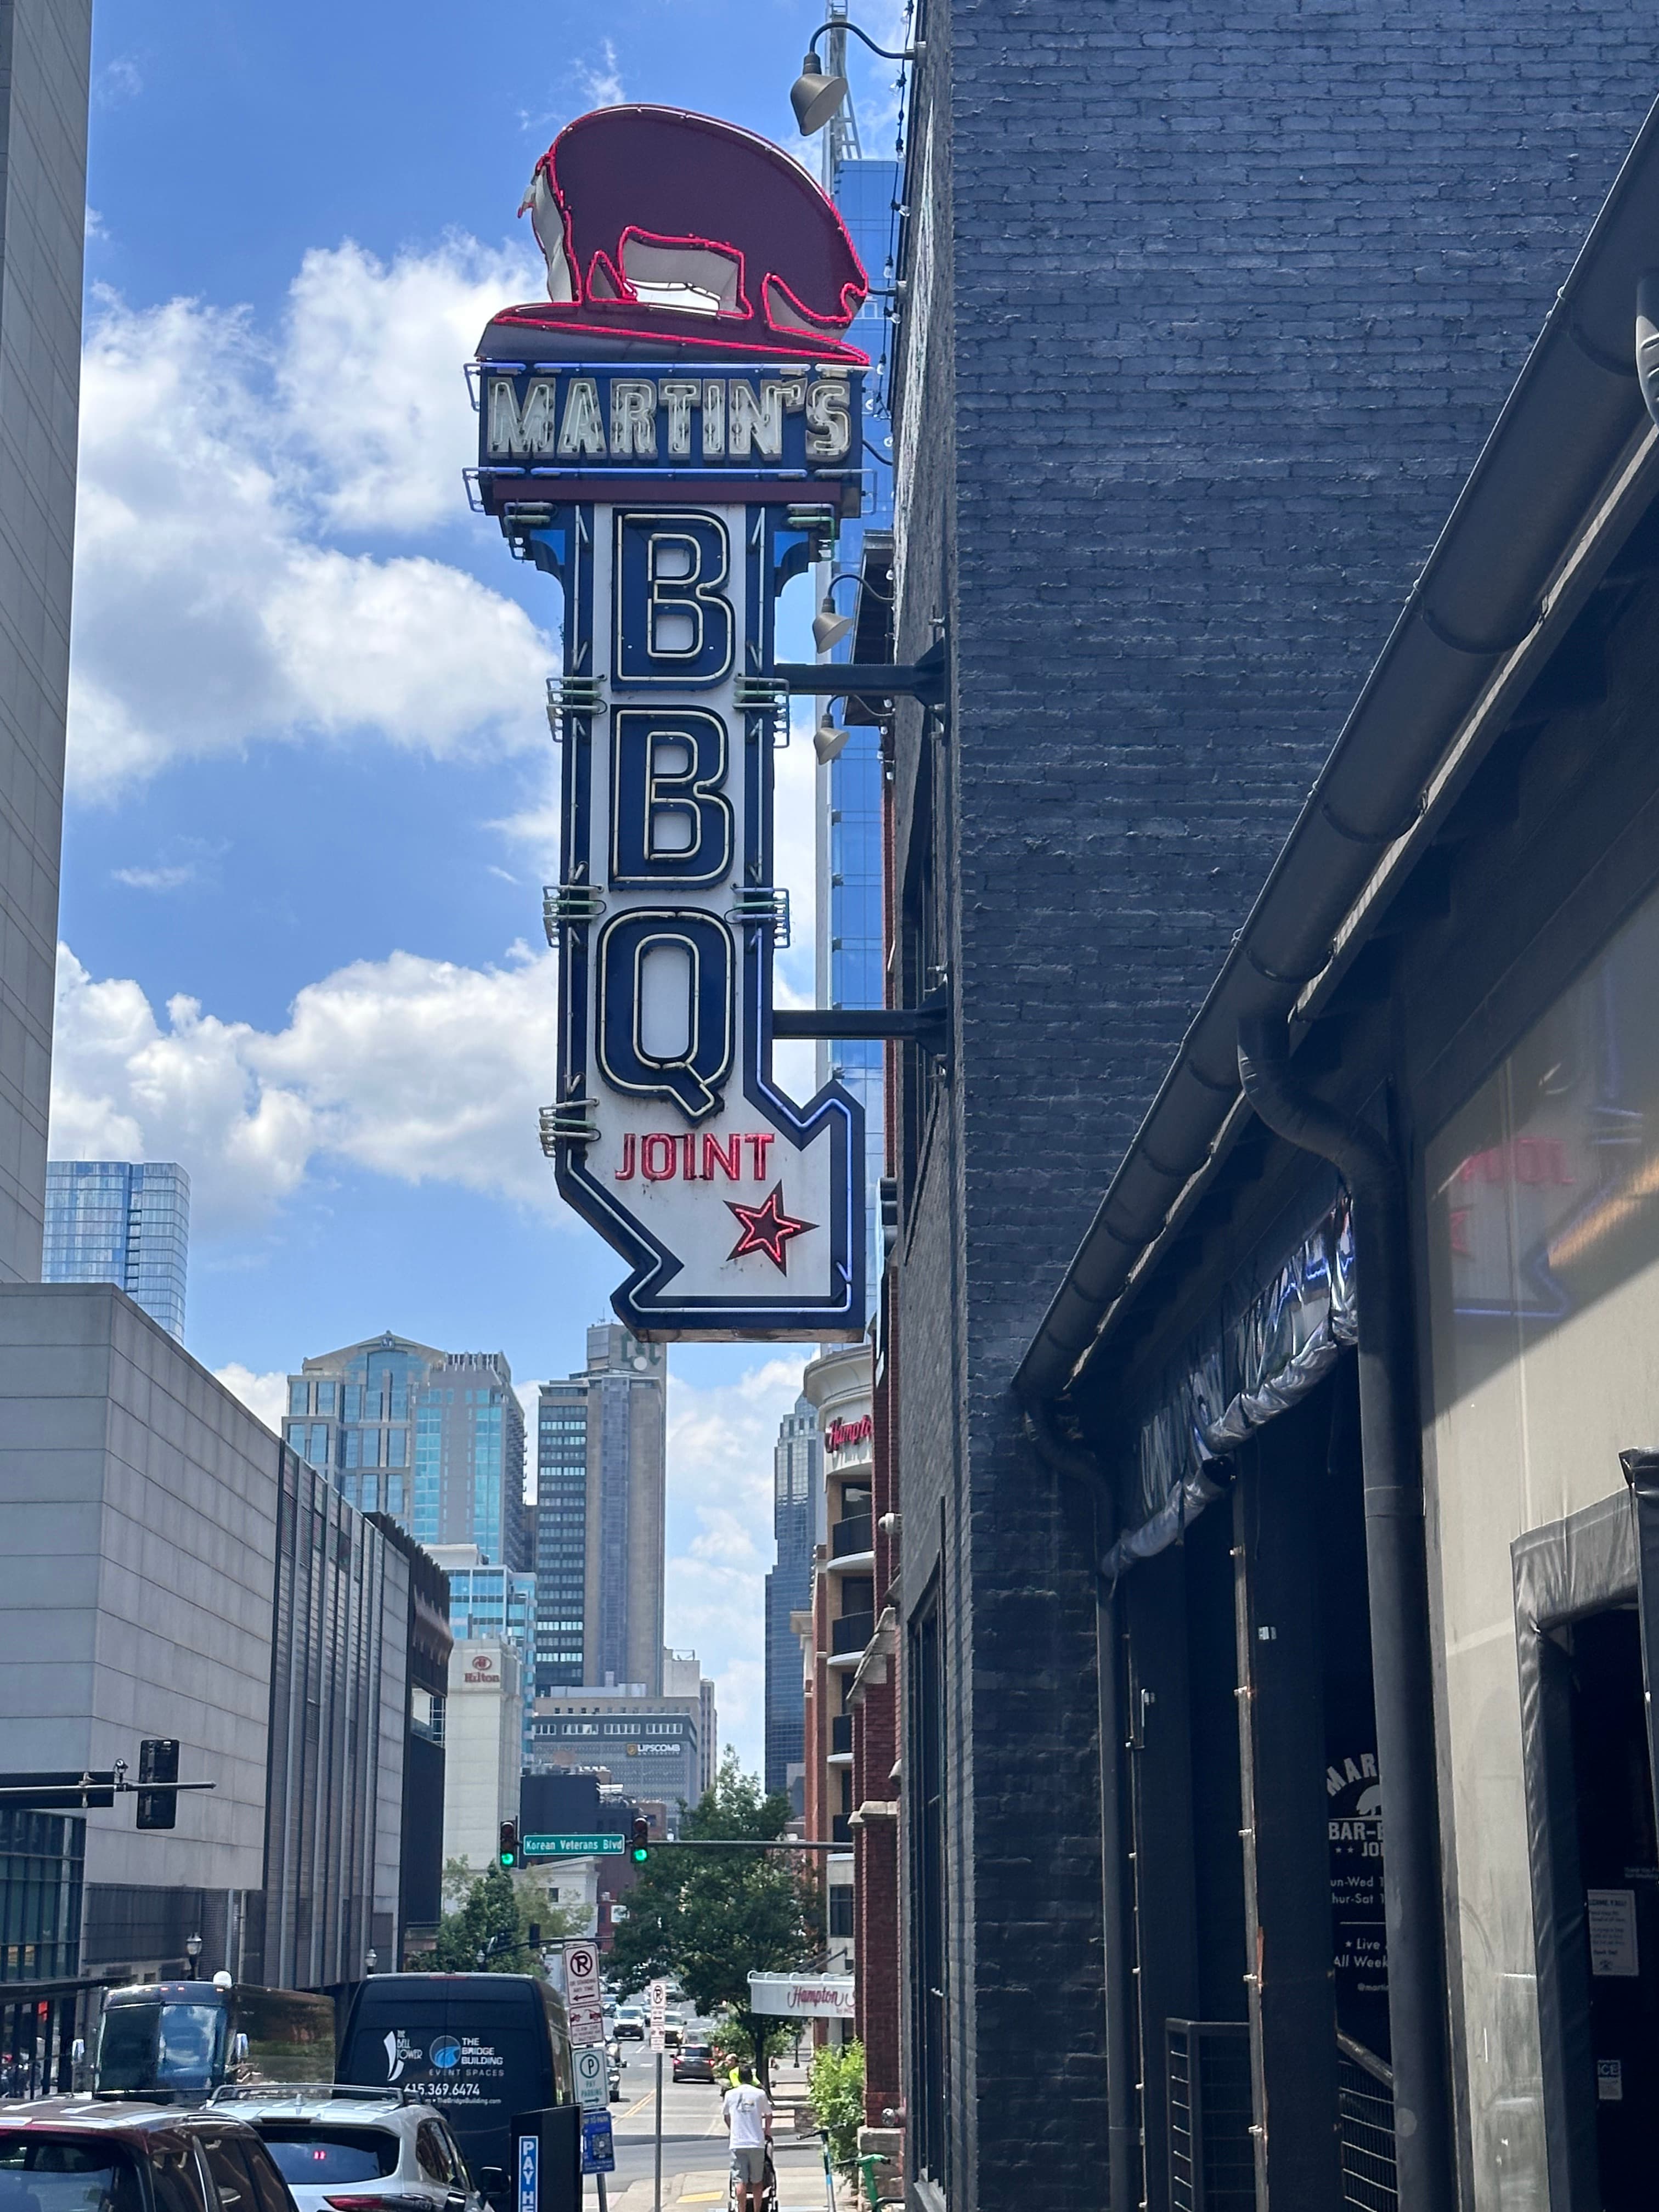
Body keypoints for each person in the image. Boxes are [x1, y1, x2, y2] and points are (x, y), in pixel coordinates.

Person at [721, 2063, 772, 2212]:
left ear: (739, 2078)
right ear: (751, 2078)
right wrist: (766, 2131)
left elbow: (726, 2116)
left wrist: (733, 2130)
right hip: (756, 2142)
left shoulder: (730, 2094)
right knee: (758, 2181)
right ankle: (757, 2210)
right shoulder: (760, 2094)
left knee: (740, 2181)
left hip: (738, 2143)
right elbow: (769, 2115)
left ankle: (742, 2210)